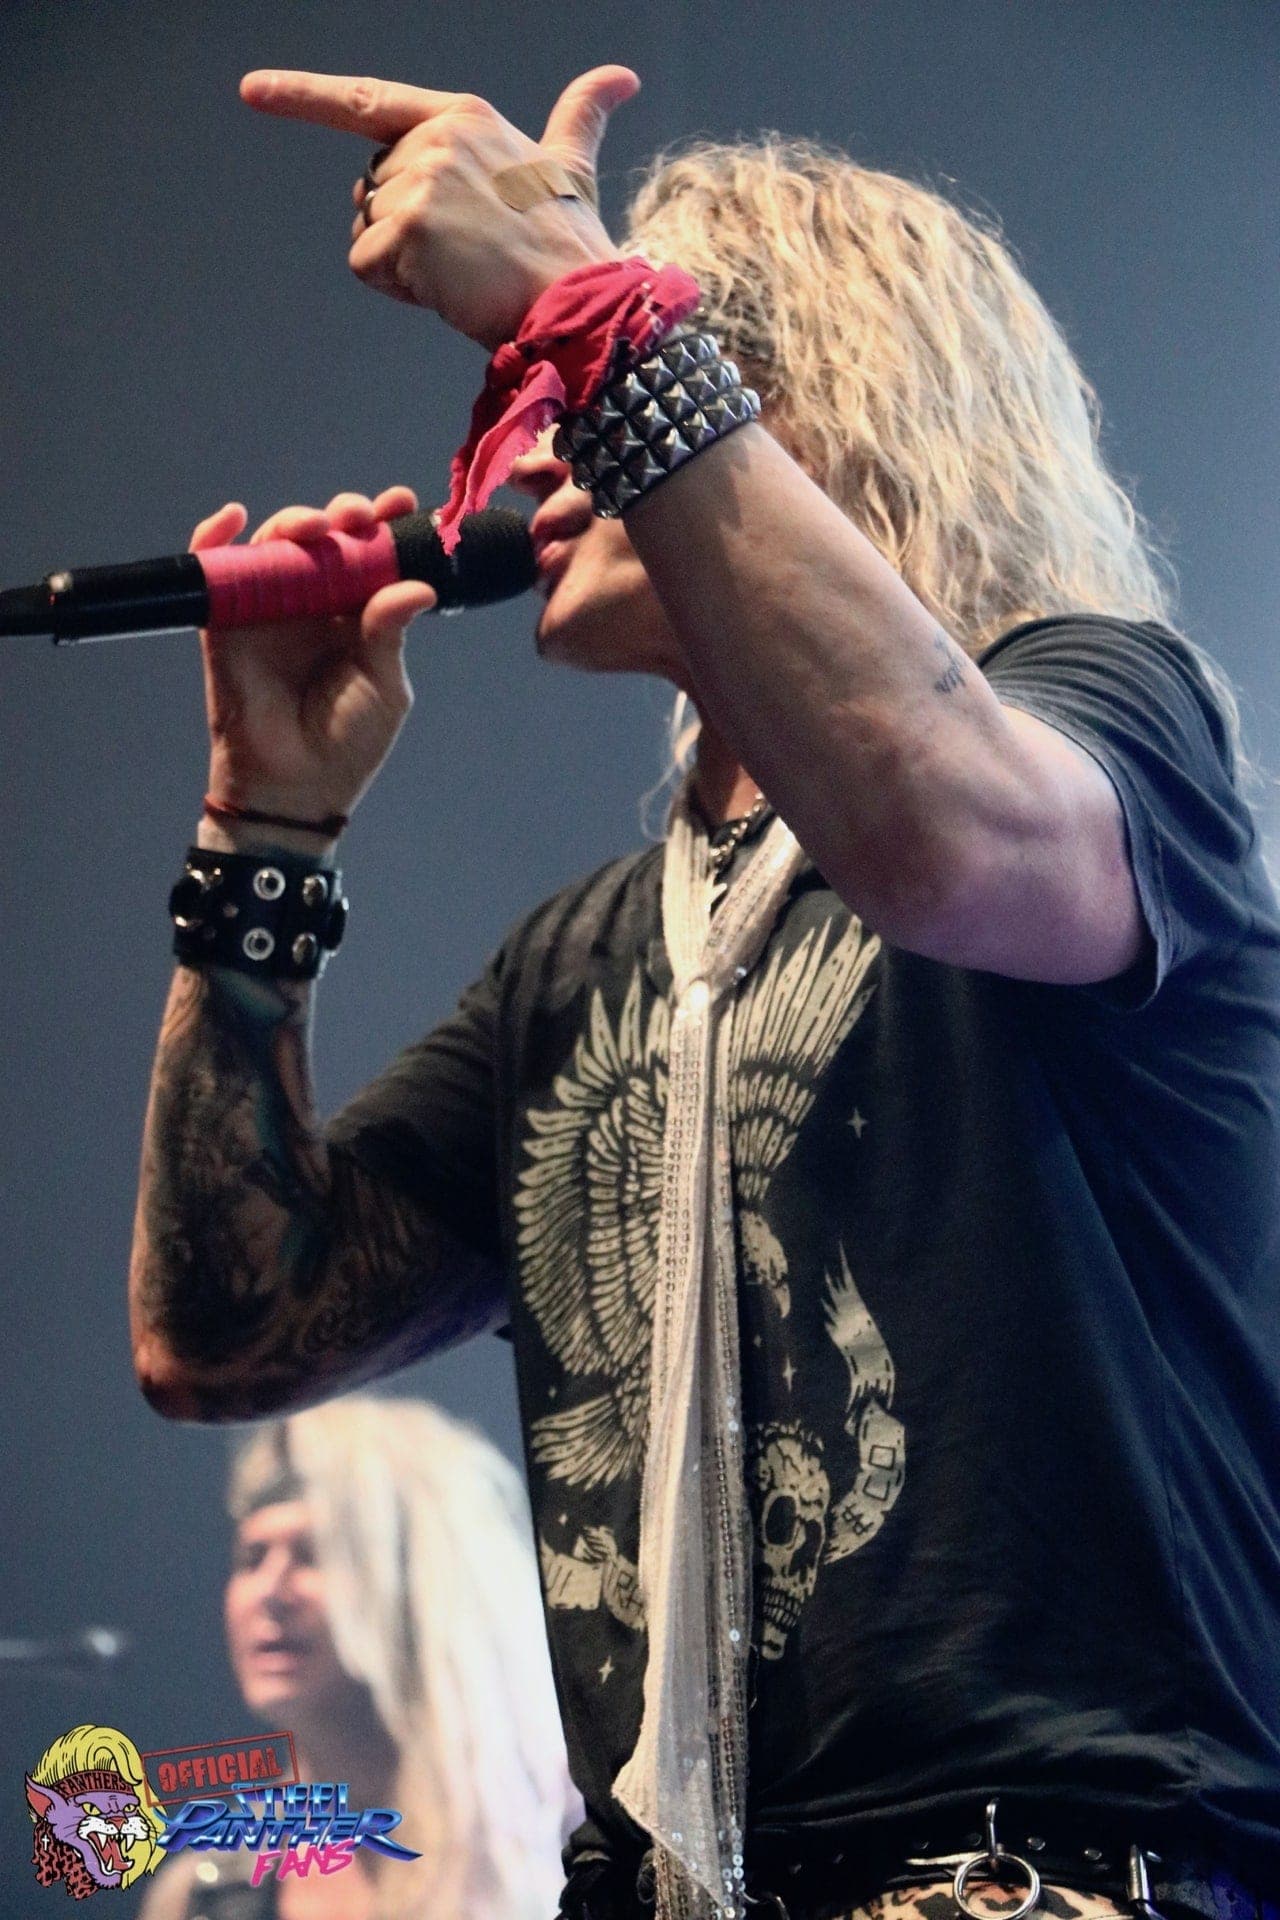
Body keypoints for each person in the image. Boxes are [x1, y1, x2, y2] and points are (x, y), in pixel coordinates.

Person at [128, 60, 1280, 1920]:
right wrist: (264, 836)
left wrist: (592, 312)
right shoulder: (591, 958)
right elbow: (227, 1335)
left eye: (575, 393)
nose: (527, 456)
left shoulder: (1110, 715)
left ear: (807, 398)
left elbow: (944, 843)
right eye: (552, 394)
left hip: (1041, 1870)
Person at [139, 1396, 578, 1920]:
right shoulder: (204, 1897)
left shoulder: (555, 1844)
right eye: (252, 1559)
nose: (271, 1591)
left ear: (414, 1585)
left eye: (313, 1554)